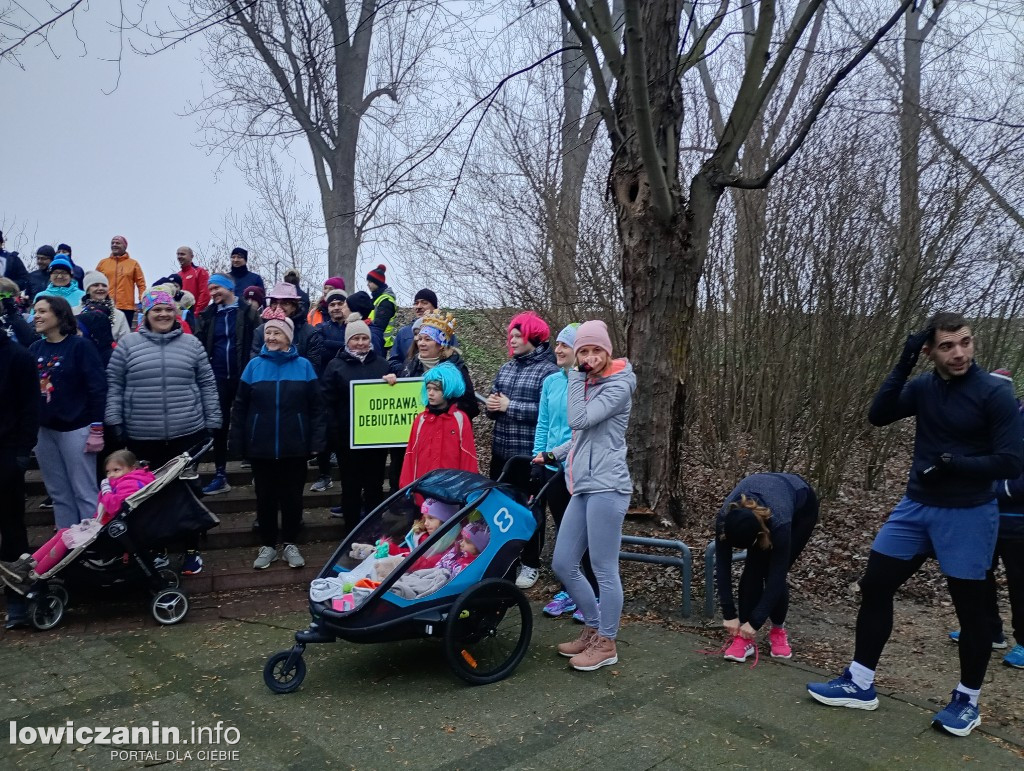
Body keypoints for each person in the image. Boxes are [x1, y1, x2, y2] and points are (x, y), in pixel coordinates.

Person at [807, 313, 1023, 737]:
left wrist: (955, 465)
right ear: (930, 351)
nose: (959, 353)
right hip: (916, 507)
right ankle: (860, 682)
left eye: (965, 342)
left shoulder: (993, 392)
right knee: (875, 585)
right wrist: (905, 360)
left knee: (971, 607)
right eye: (946, 346)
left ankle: (967, 700)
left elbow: (1013, 461)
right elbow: (878, 414)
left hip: (969, 512)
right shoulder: (925, 387)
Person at [106, 290, 223, 575]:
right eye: (156, 310)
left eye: (168, 310)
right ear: (146, 314)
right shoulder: (128, 345)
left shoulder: (191, 344)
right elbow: (115, 385)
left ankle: (192, 549)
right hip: (142, 434)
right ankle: (156, 549)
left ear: (176, 313)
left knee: (187, 492)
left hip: (187, 431)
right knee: (147, 495)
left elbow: (207, 383)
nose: (163, 315)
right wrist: (114, 421)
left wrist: (214, 420)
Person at [547, 319, 635, 672]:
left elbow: (579, 420)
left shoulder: (617, 386)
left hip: (608, 487)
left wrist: (575, 376)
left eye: (596, 350)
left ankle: (607, 642)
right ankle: (594, 627)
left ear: (607, 351)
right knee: (562, 561)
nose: (589, 356)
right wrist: (554, 453)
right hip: (583, 484)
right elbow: (584, 436)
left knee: (603, 568)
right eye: (583, 350)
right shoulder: (592, 383)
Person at [230, 308, 326, 570]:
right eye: (268, 332)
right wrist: (237, 443)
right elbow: (240, 407)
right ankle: (269, 545)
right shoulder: (254, 366)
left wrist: (317, 441)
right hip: (260, 447)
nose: (271, 337)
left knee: (293, 498)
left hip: (295, 446)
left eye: (277, 332)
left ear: (288, 338)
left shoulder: (304, 366)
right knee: (265, 498)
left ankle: (291, 543)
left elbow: (316, 407)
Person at [947, 368, 1024, 669]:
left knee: (1021, 583)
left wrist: (995, 489)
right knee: (980, 576)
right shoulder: (981, 422)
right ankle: (990, 630)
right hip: (983, 517)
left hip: (1018, 522)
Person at [0, 450, 155, 588]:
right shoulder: (125, 481)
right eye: (108, 472)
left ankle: (35, 575)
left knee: (66, 539)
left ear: (132, 468)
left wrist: (106, 491)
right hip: (109, 525)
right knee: (63, 532)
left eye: (116, 470)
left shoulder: (129, 483)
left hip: (115, 530)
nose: (111, 475)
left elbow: (115, 507)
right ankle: (26, 565)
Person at [487, 311, 559, 588]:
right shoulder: (506, 368)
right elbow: (494, 402)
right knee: (501, 507)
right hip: (501, 454)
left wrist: (509, 407)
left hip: (530, 456)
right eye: (511, 336)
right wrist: (492, 407)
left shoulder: (549, 372)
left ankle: (531, 563)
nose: (513, 341)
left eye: (518, 336)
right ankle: (506, 558)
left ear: (534, 336)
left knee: (531, 511)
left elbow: (549, 415)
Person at [714, 473, 819, 663]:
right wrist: (729, 614)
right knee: (753, 568)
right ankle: (743, 638)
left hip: (802, 507)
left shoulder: (779, 522)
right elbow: (722, 565)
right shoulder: (724, 519)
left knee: (771, 570)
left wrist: (756, 621)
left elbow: (777, 576)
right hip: (767, 493)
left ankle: (778, 630)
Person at [532, 323, 599, 619]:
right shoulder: (550, 382)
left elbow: (583, 431)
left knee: (584, 534)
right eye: (557, 344)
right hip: (551, 467)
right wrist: (539, 459)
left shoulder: (591, 384)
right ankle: (569, 590)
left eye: (565, 345)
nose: (558, 350)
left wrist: (561, 455)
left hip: (580, 469)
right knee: (563, 531)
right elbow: (543, 424)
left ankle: (592, 593)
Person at [29, 296, 108, 529]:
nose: (37, 316)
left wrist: (96, 427)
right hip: (45, 431)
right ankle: (66, 548)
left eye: (43, 311)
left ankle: (93, 547)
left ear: (59, 315)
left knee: (84, 491)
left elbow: (97, 387)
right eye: (35, 311)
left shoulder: (80, 346)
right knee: (58, 493)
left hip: (77, 428)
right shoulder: (35, 348)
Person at [385, 311, 479, 492]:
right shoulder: (409, 366)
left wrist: (443, 411)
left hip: (444, 443)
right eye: (419, 338)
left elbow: (470, 406)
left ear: (440, 344)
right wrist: (392, 384)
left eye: (427, 339)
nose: (421, 343)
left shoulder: (457, 369)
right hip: (411, 441)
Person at [321, 314, 390, 531]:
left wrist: (393, 382)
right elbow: (327, 402)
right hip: (347, 441)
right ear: (347, 341)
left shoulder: (382, 364)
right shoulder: (335, 366)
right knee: (350, 487)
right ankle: (351, 531)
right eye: (355, 338)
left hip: (376, 442)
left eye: (364, 338)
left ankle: (374, 530)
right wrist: (335, 435)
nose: (360, 343)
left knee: (375, 487)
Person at [196, 273, 260, 495]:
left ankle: (255, 469)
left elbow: (257, 342)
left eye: (216, 288)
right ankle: (220, 474)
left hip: (244, 375)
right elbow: (201, 345)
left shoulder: (249, 312)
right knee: (219, 426)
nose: (213, 293)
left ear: (229, 288)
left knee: (249, 422)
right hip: (218, 377)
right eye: (210, 289)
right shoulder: (208, 315)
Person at [0, 320, 40, 629]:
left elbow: (30, 407)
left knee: (12, 528)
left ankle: (18, 597)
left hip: (7, 452)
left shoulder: (18, 356)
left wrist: (22, 451)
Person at [398, 362, 479, 489]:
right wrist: (406, 487)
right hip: (423, 489)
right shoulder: (421, 420)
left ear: (448, 390)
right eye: (428, 388)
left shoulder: (460, 419)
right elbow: (410, 454)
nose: (430, 393)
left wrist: (468, 488)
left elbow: (468, 456)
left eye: (436, 389)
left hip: (451, 491)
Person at [250, 282, 324, 374]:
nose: (278, 307)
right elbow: (255, 365)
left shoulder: (310, 334)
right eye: (274, 303)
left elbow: (312, 370)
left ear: (294, 307)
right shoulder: (260, 331)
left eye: (285, 303)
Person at [76, 271, 130, 366]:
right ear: (87, 289)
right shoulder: (75, 312)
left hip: (111, 361)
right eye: (95, 285)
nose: (100, 288)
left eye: (104, 286)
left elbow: (126, 341)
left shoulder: (119, 315)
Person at [95, 235, 146, 326]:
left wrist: (142, 301)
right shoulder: (103, 263)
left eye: (117, 243)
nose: (114, 245)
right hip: (105, 305)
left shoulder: (133, 264)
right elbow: (94, 282)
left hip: (126, 307)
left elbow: (141, 284)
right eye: (112, 243)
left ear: (125, 246)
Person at [389, 288, 438, 365]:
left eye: (424, 303)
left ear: (434, 308)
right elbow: (394, 361)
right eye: (416, 303)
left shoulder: (444, 331)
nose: (419, 307)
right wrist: (407, 371)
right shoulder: (403, 333)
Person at [365, 264, 397, 353]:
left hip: (379, 341)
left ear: (377, 282)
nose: (368, 284)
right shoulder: (377, 299)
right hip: (374, 339)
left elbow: (379, 325)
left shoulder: (385, 301)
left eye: (370, 281)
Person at [174, 246, 211, 313]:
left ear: (191, 256)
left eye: (182, 254)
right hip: (180, 316)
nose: (179, 256)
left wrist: (196, 312)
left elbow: (205, 294)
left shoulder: (199, 272)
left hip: (194, 315)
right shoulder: (177, 275)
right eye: (178, 254)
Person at [0, 277, 35, 347]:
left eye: (12, 296)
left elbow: (29, 341)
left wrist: (13, 315)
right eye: (2, 296)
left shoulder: (27, 318)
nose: (11, 301)